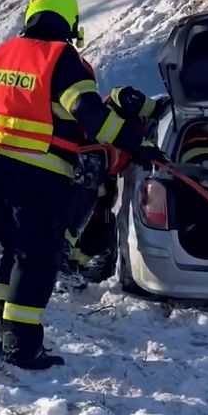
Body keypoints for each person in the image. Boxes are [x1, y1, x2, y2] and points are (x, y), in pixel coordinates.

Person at [0, 0, 167, 369]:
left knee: (15, 249)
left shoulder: (2, 55)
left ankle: (2, 326)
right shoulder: (60, 58)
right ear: (69, 21)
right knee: (39, 258)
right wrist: (137, 143)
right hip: (38, 172)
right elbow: (90, 115)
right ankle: (22, 344)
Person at [61, 85, 165, 284]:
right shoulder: (145, 112)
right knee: (82, 201)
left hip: (103, 169)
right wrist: (152, 107)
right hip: (85, 149)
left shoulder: (146, 153)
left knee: (102, 218)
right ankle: (59, 254)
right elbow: (121, 95)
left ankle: (72, 261)